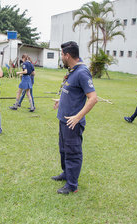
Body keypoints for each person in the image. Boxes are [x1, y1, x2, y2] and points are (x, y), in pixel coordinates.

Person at [52, 41, 97, 194]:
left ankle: (72, 185)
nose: (61, 58)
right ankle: (66, 174)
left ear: (68, 55)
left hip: (72, 122)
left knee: (73, 152)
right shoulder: (73, 70)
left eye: (62, 55)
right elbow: (73, 91)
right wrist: (61, 100)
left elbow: (93, 98)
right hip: (64, 120)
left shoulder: (82, 72)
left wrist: (78, 117)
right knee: (64, 150)